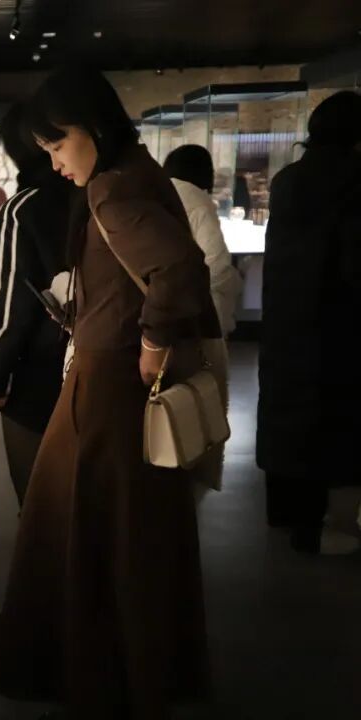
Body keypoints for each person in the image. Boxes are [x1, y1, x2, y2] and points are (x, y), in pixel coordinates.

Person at [0, 68, 220, 719]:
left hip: (111, 383)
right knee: (119, 530)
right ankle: (127, 670)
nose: (56, 163)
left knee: (91, 529)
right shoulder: (135, 173)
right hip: (107, 373)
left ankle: (99, 676)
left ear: (91, 127)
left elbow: (178, 270)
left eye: (58, 145)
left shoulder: (113, 189)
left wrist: (151, 343)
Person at [258, 90, 361, 555]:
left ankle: (285, 513)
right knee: (331, 424)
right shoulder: (353, 181)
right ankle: (319, 529)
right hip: (338, 324)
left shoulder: (289, 180)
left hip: (286, 318)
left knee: (287, 416)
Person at [0, 103, 71, 508]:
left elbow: (5, 307)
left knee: (42, 507)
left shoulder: (25, 209)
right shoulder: (97, 196)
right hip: (102, 377)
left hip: (39, 383)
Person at [163, 145, 244, 337]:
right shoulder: (198, 201)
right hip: (197, 310)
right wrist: (236, 282)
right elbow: (216, 265)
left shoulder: (157, 193)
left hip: (160, 303)